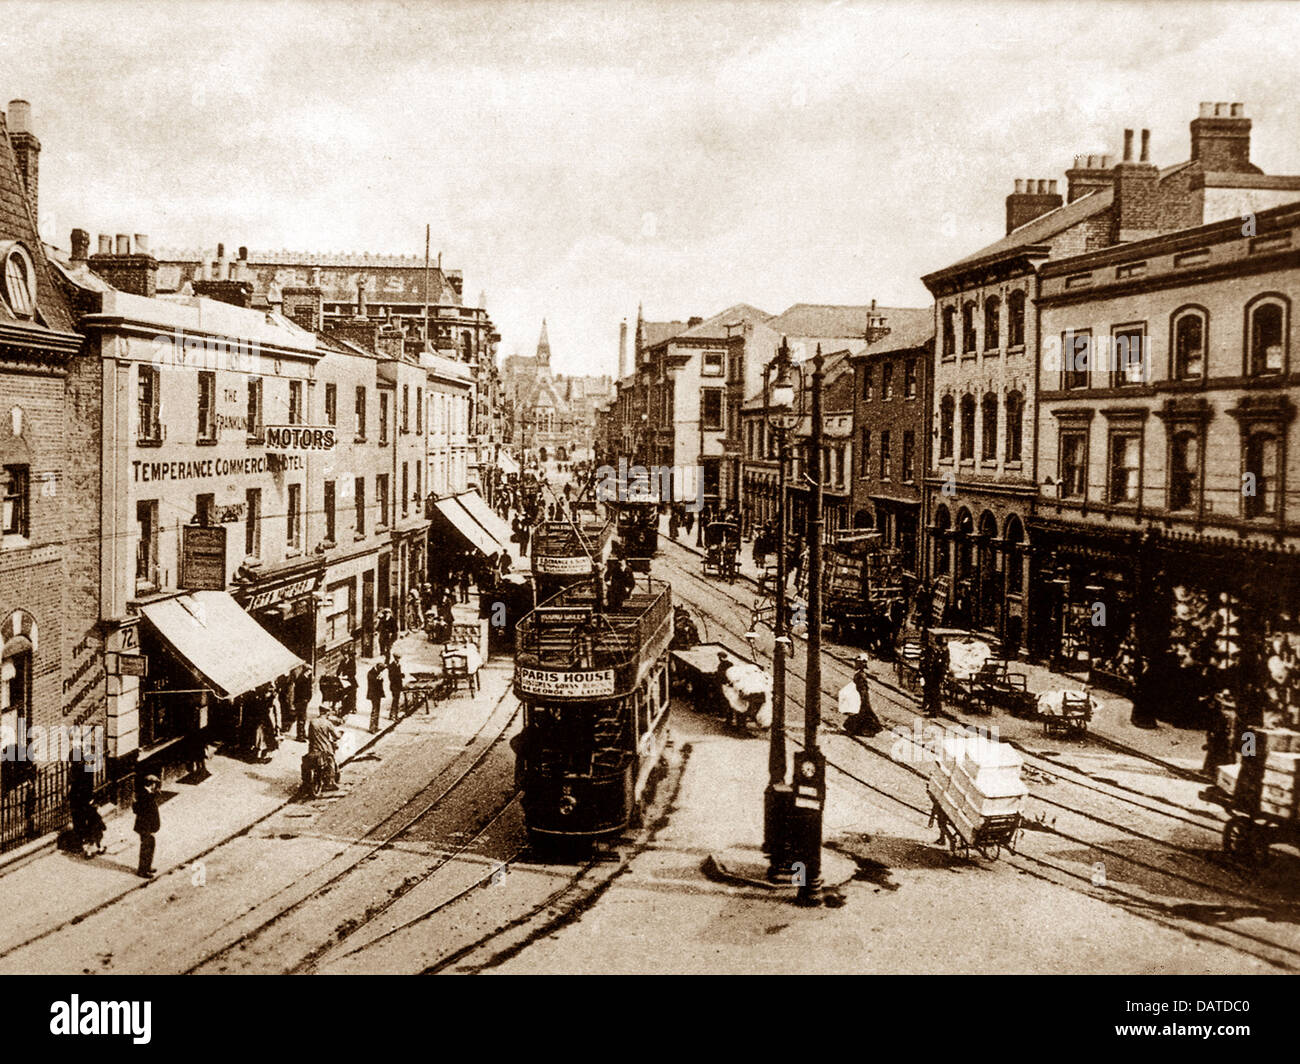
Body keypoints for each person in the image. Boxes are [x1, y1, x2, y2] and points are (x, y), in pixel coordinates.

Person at [69, 760, 105, 859]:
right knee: (94, 826)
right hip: (86, 804)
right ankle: (90, 850)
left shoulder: (74, 770)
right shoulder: (86, 771)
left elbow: (74, 788)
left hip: (77, 803)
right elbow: (88, 788)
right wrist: (91, 800)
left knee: (83, 825)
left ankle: (83, 846)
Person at [844, 654, 884, 737]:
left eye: (857, 663)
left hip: (862, 696)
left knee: (863, 712)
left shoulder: (861, 675)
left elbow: (862, 688)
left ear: (861, 665)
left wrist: (861, 697)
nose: (855, 665)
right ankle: (859, 729)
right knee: (860, 712)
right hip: (859, 695)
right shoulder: (859, 674)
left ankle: (870, 729)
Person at [306, 706, 341, 793]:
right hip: (325, 750)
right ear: (327, 713)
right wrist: (340, 734)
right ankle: (331, 782)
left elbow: (309, 735)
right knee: (331, 762)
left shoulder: (312, 722)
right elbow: (336, 736)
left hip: (313, 749)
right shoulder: (328, 723)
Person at [133, 774, 161, 878]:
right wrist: (151, 828)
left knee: (149, 846)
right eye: (154, 783)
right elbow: (145, 812)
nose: (155, 786)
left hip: (145, 827)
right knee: (146, 848)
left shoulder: (145, 793)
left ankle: (147, 867)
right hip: (146, 827)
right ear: (151, 784)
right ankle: (143, 870)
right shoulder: (145, 795)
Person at [920, 641, 945, 718]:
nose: (935, 647)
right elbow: (927, 664)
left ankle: (933, 712)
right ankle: (933, 710)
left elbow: (941, 668)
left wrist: (941, 679)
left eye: (936, 645)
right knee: (932, 694)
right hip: (930, 677)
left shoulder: (939, 655)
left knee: (934, 695)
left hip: (935, 679)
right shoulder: (931, 653)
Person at [291, 666, 313, 742]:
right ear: (306, 671)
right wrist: (304, 699)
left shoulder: (306, 678)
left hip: (304, 701)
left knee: (303, 718)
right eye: (309, 670)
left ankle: (303, 733)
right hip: (300, 701)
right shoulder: (301, 679)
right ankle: (300, 736)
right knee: (301, 718)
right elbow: (299, 692)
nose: (310, 672)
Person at [366, 661, 386, 733]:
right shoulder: (371, 673)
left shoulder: (377, 672)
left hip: (378, 695)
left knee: (377, 710)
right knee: (374, 711)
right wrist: (379, 679)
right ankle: (372, 728)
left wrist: (380, 679)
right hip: (373, 695)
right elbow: (373, 682)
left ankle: (376, 727)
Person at [339, 648, 358, 716]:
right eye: (344, 655)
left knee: (353, 694)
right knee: (343, 693)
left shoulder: (352, 661)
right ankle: (345, 706)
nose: (345, 656)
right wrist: (338, 674)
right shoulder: (342, 661)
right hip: (344, 680)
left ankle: (354, 707)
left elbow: (354, 672)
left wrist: (347, 676)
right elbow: (339, 670)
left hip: (351, 679)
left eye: (346, 655)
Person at [387, 654, 405, 721]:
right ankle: (393, 715)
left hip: (398, 685)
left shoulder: (398, 665)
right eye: (397, 658)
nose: (398, 659)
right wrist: (399, 676)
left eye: (399, 658)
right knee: (395, 701)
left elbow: (397, 675)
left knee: (396, 701)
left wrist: (401, 675)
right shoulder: (391, 666)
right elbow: (391, 677)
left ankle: (394, 715)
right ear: (395, 658)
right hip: (394, 686)